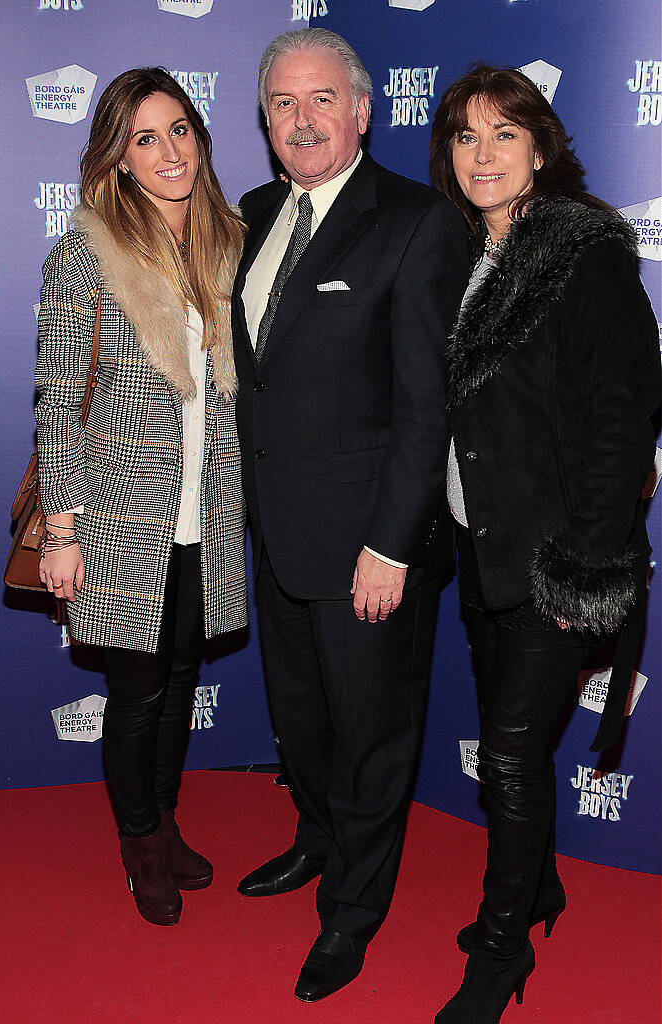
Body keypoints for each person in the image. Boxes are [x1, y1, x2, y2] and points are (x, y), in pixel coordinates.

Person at [232, 28, 469, 1002]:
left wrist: (389, 544)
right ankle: (315, 842)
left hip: (370, 548)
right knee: (302, 722)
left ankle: (352, 911)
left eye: (320, 99)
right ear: (264, 118)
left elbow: (427, 406)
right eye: (282, 103)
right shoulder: (250, 213)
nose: (302, 119)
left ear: (362, 111)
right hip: (278, 534)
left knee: (371, 737)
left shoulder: (416, 222)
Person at [428, 65, 660, 1023]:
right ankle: (543, 888)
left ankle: (500, 945)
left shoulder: (582, 250)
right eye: (465, 137)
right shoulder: (459, 250)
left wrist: (586, 562)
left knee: (515, 758)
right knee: (508, 743)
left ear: (540, 148)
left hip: (550, 557)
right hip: (480, 545)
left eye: (503, 136)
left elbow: (624, 414)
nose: (482, 156)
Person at [35, 67, 247, 927]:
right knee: (139, 687)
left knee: (183, 671)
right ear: (118, 159)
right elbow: (57, 396)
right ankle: (140, 844)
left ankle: (162, 819)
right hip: (118, 517)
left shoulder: (224, 241)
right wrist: (61, 530)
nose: (169, 152)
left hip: (207, 506)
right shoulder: (85, 249)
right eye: (145, 139)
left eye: (180, 129)